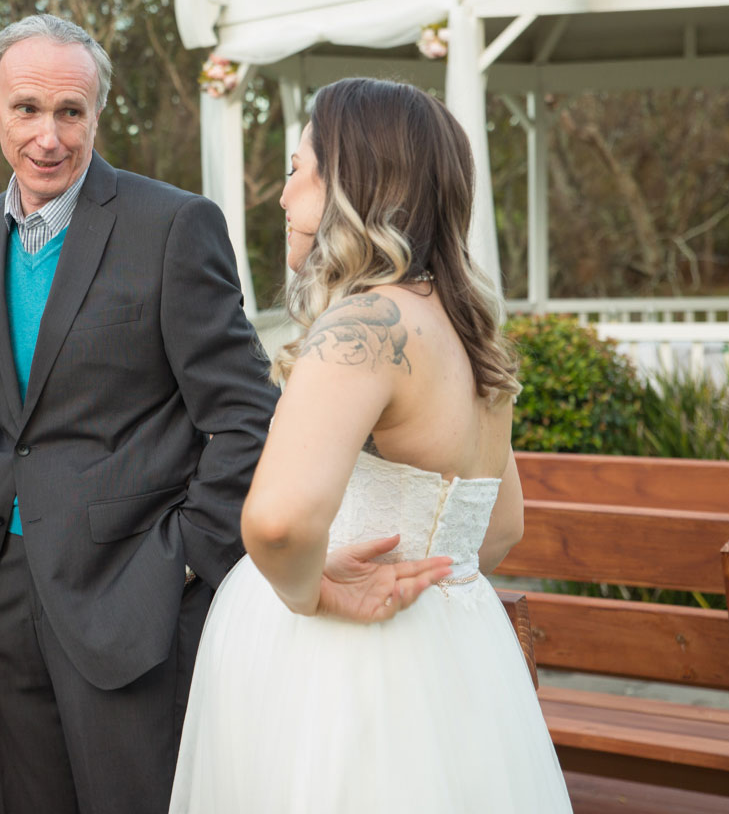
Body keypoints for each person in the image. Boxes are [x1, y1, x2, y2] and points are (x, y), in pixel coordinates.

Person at [169, 77, 573, 811]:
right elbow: (500, 526)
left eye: (296, 171)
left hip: (343, 668)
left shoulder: (364, 328)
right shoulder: (467, 332)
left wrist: (309, 591)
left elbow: (279, 522)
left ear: (348, 184)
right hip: (459, 659)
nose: (282, 197)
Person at [0, 14, 279, 814]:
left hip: (132, 593)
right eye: (27, 109)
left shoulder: (171, 225)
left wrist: (188, 556)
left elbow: (245, 413)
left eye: (71, 112)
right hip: (5, 591)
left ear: (97, 114)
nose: (49, 136)